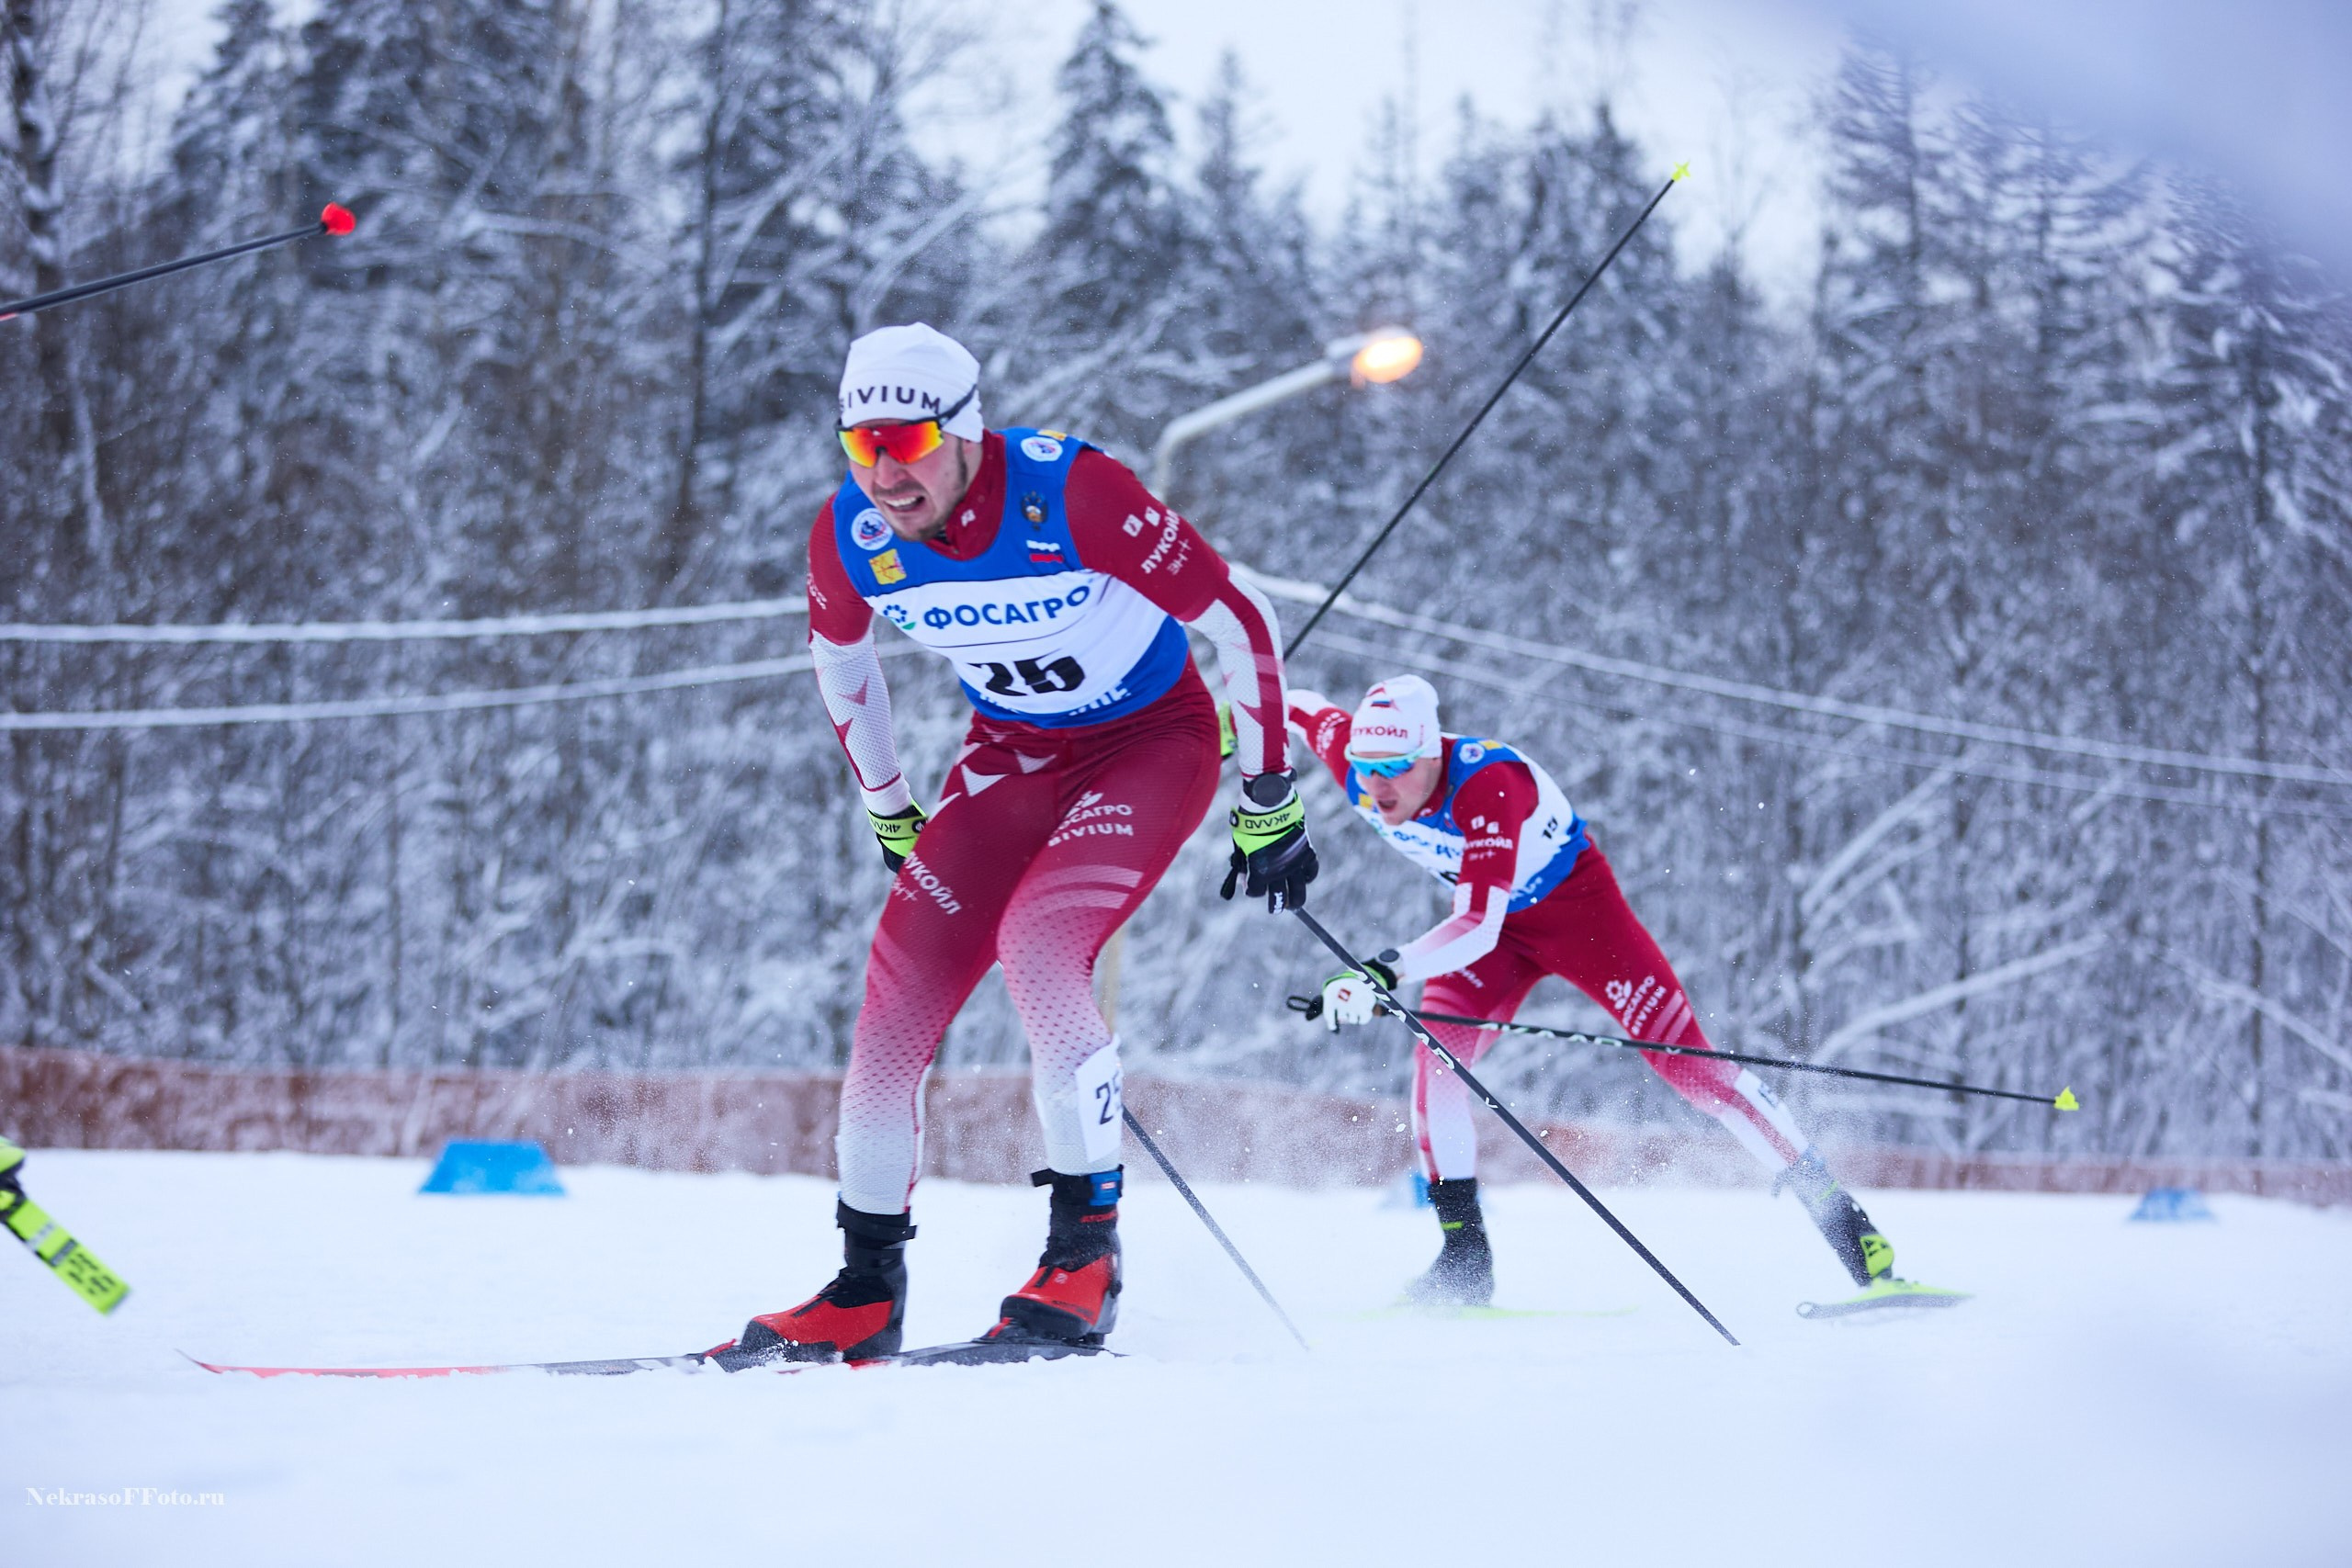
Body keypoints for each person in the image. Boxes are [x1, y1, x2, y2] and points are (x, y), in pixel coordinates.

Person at [708, 324, 1317, 1366]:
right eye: (860, 446)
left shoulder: (1070, 494)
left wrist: (1267, 795)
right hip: (1014, 763)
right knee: (894, 1001)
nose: (884, 474)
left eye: (905, 442)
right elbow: (841, 661)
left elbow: (1243, 619)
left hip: (1149, 747)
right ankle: (865, 1290)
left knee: (1041, 946)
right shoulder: (852, 532)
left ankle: (1083, 1260)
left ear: (963, 430)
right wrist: (889, 806)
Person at [1290, 674, 1939, 1310]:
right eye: (1366, 768)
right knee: (1437, 1060)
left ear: (1432, 753)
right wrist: (1247, 738)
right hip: (1491, 940)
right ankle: (1464, 1262)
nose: (1376, 785)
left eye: (1396, 767)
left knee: (1692, 1069)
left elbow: (1477, 922)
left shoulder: (1488, 784)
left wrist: (1383, 972)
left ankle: (1852, 1234)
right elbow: (1291, 705)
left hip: (1580, 918)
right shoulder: (1355, 759)